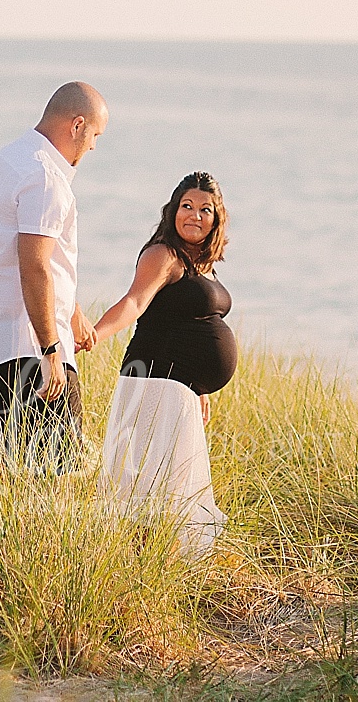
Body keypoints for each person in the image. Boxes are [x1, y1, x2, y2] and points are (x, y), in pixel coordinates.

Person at [0, 82, 107, 472]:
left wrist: (72, 312)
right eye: (95, 136)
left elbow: (20, 256)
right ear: (77, 125)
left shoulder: (7, 160)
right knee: (57, 472)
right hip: (27, 348)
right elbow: (34, 265)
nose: (93, 148)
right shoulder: (45, 176)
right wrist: (51, 349)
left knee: (6, 469)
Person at [83, 171, 234, 549]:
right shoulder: (163, 255)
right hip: (154, 382)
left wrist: (199, 386)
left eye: (205, 210)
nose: (194, 216)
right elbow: (134, 302)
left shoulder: (202, 265)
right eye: (187, 206)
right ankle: (134, 569)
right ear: (172, 210)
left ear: (217, 219)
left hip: (179, 387)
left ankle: (164, 570)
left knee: (174, 488)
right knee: (149, 490)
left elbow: (188, 322)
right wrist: (94, 335)